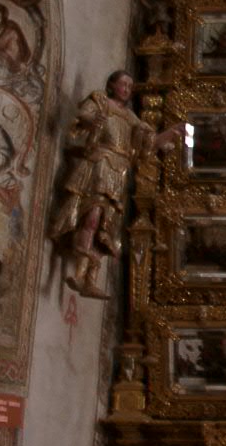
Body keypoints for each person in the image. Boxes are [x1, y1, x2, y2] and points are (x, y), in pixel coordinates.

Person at [50, 71, 183, 299]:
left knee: (105, 226)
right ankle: (81, 266)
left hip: (119, 171)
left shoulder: (130, 117)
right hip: (101, 162)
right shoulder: (101, 101)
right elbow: (83, 115)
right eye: (123, 83)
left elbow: (149, 145)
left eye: (130, 85)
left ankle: (87, 279)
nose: (126, 88)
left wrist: (170, 134)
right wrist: (93, 121)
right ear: (112, 85)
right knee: (91, 215)